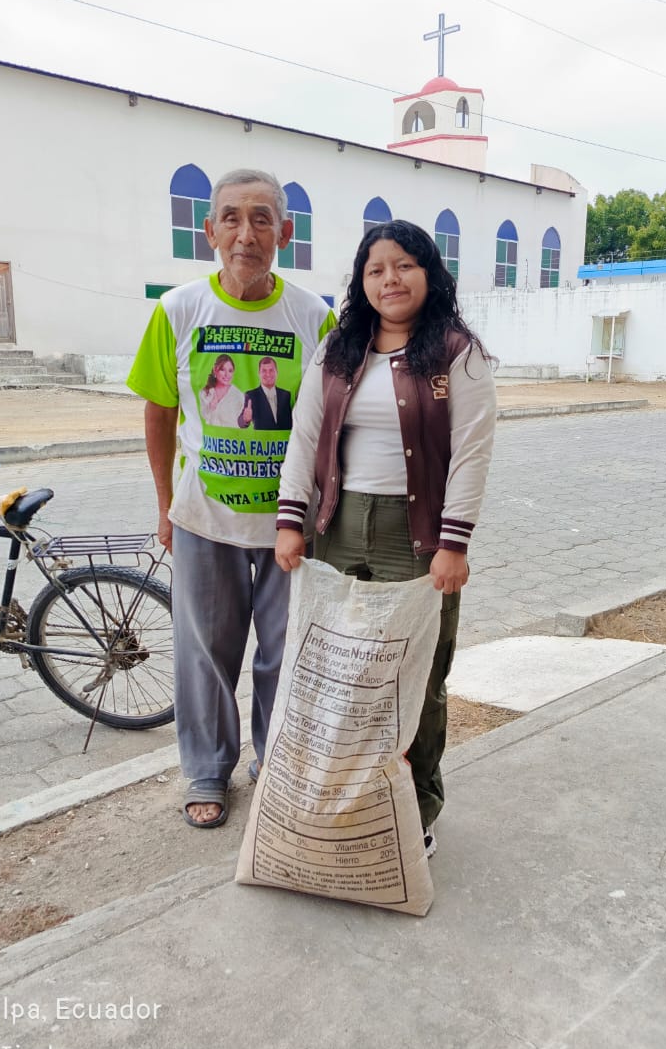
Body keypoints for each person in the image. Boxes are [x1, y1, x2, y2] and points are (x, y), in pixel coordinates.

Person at [275, 220, 496, 856]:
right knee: (337, 671)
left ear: (429, 273)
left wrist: (454, 544)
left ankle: (415, 809)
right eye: (376, 269)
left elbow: (472, 452)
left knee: (417, 678)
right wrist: (290, 521)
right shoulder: (338, 349)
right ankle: (340, 802)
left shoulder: (457, 353)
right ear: (361, 281)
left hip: (417, 538)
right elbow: (304, 435)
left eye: (403, 266)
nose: (389, 279)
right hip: (338, 530)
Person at [127, 169, 336, 829]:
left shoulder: (314, 317)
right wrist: (166, 504)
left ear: (285, 233)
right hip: (204, 519)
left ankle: (276, 760)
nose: (247, 233)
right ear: (210, 231)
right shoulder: (178, 310)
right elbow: (159, 412)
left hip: (289, 525)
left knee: (286, 652)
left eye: (262, 218)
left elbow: (331, 423)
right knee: (205, 655)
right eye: (232, 218)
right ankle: (207, 769)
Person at [238, 356, 293, 431]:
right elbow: (240, 422)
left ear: (276, 372)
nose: (268, 374)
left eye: (271, 370)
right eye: (264, 371)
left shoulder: (286, 394)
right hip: (262, 438)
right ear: (259, 373)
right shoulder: (251, 395)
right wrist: (245, 419)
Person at [199, 354, 246, 427]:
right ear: (215, 370)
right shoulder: (205, 392)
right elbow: (204, 417)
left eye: (230, 371)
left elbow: (241, 423)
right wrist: (211, 407)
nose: (227, 375)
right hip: (211, 433)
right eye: (222, 370)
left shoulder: (238, 395)